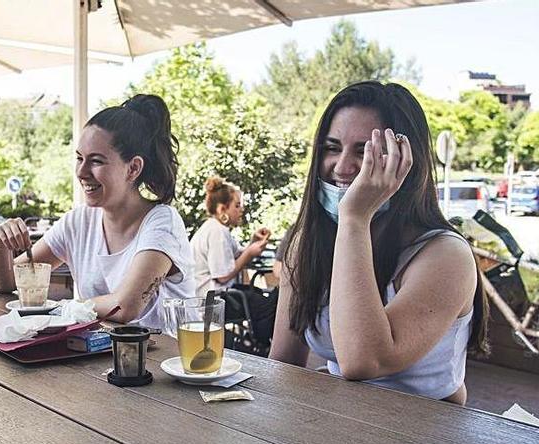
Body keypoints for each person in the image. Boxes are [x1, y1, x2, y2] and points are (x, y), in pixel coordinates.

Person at [269, 81, 488, 405]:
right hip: (337, 426)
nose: (342, 167)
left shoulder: (446, 255)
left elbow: (363, 360)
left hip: (429, 439)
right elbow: (283, 363)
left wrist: (355, 219)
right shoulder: (308, 244)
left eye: (364, 151)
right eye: (332, 148)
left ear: (405, 161)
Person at [0, 94, 195, 334]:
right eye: (79, 159)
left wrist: (60, 309)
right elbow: (8, 282)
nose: (82, 172)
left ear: (133, 168)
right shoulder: (79, 221)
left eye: (96, 161)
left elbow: (125, 307)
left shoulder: (162, 222)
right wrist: (0, 243)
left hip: (168, 362)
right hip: (101, 361)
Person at [190, 176, 271, 297]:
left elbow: (233, 257)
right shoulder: (217, 232)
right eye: (237, 206)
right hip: (211, 304)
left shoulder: (215, 228)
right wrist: (249, 253)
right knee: (269, 303)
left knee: (260, 296)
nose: (241, 210)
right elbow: (222, 276)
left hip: (217, 297)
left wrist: (253, 243)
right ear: (222, 209)